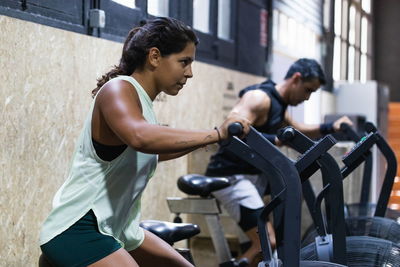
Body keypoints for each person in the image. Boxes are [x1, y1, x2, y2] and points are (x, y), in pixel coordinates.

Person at [38, 17, 251, 267]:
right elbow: (140, 138)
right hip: (78, 229)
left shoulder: (143, 103)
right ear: (154, 57)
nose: (190, 73)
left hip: (119, 229)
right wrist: (215, 133)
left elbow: (149, 151)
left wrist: (201, 140)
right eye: (184, 62)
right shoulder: (118, 89)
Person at [205, 58, 352, 265]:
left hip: (256, 177)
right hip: (232, 177)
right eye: (308, 90)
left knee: (290, 200)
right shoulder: (259, 98)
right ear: (296, 78)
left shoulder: (278, 105)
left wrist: (331, 127)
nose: (308, 98)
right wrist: (274, 139)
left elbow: (297, 130)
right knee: (268, 242)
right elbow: (233, 128)